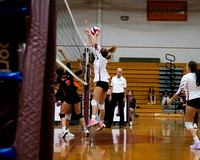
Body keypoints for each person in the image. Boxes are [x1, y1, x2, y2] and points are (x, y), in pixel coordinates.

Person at [85, 27, 116, 131]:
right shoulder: (100, 57)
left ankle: (93, 119)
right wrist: (90, 35)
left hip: (101, 83)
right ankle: (101, 123)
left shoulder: (102, 59)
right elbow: (93, 45)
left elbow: (95, 44)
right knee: (101, 104)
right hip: (105, 83)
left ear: (100, 53)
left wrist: (95, 35)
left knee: (93, 101)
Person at [56, 48, 89, 138]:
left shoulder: (58, 78)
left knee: (62, 114)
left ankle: (63, 130)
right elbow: (68, 61)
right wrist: (62, 52)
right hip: (75, 96)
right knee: (78, 114)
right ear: (64, 70)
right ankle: (85, 129)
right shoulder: (70, 73)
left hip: (68, 98)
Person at [167, 61, 200, 149]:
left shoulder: (186, 77)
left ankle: (197, 142)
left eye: (186, 65)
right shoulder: (198, 75)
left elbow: (179, 92)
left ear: (188, 67)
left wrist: (171, 100)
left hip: (192, 100)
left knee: (188, 123)